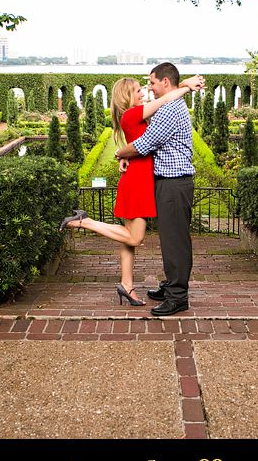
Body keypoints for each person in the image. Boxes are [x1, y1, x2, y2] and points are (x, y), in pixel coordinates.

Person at [59, 72, 204, 306]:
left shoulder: (134, 114)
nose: (144, 92)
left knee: (127, 239)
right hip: (138, 180)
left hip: (138, 177)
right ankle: (84, 221)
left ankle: (127, 285)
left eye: (147, 86)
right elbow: (166, 100)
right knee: (134, 238)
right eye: (138, 90)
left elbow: (164, 102)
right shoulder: (133, 113)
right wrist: (187, 85)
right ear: (127, 95)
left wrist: (122, 154)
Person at [114, 62, 197, 317]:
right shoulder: (167, 105)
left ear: (165, 82)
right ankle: (171, 286)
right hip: (168, 182)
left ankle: (177, 297)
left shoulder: (170, 110)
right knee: (170, 239)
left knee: (175, 242)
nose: (149, 88)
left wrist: (120, 153)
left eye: (151, 83)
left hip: (174, 182)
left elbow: (144, 144)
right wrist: (186, 85)